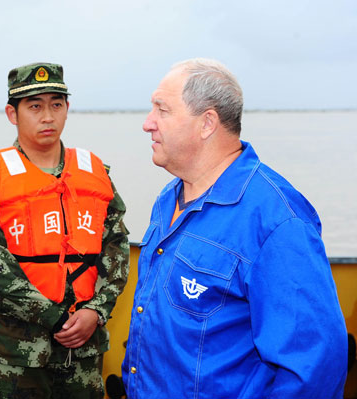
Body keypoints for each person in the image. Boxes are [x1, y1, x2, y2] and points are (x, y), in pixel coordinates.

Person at [122, 58, 348, 398]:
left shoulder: (276, 221)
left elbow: (313, 368)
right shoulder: (169, 198)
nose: (147, 123)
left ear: (207, 123)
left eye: (162, 110)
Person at [0, 62, 129, 398]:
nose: (47, 117)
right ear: (12, 114)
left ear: (67, 109)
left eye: (56, 105)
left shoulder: (95, 173)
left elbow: (116, 246)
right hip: (16, 356)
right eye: (35, 106)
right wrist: (54, 318)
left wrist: (95, 311)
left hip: (83, 353)